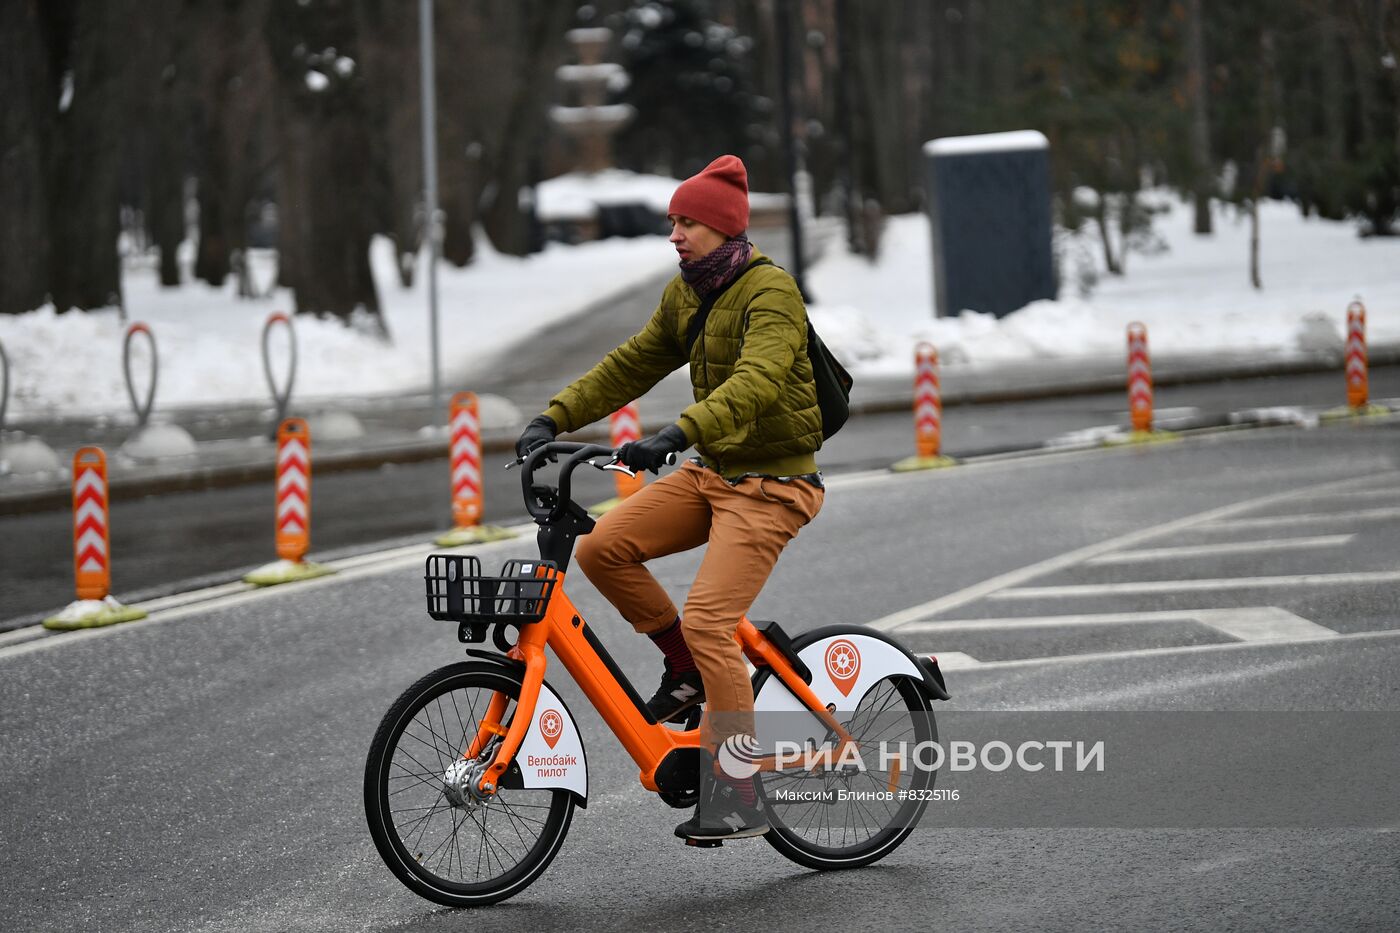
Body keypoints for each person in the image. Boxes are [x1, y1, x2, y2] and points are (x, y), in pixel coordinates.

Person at [515, 154, 824, 842]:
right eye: (672, 221)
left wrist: (678, 431)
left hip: (775, 482)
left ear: (723, 226)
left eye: (687, 221)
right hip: (715, 472)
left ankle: (741, 790)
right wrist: (554, 417)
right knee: (604, 547)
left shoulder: (771, 292)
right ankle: (683, 666)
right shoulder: (686, 292)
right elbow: (633, 361)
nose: (675, 233)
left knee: (713, 619)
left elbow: (759, 381)